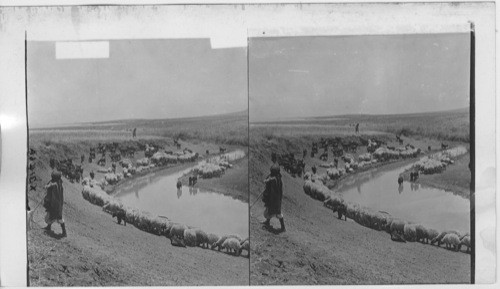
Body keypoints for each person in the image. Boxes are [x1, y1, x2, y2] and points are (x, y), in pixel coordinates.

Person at [261, 156, 285, 232]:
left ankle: (283, 227)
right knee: (269, 210)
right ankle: (267, 222)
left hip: (276, 199)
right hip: (272, 198)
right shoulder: (274, 177)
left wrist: (267, 181)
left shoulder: (277, 179)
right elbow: (269, 179)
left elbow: (272, 180)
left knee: (277, 212)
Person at [43, 171, 66, 237]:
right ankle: (48, 227)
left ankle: (64, 232)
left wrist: (48, 186)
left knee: (59, 217)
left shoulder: (57, 184)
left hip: (57, 204)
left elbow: (53, 185)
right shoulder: (57, 182)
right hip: (53, 202)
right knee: (51, 214)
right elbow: (51, 184)